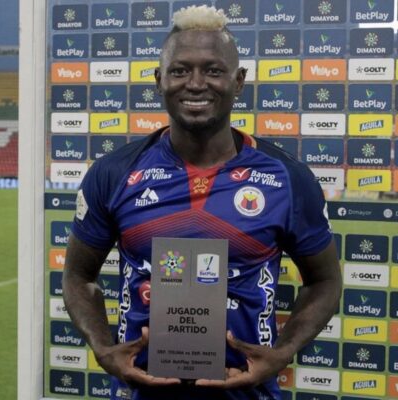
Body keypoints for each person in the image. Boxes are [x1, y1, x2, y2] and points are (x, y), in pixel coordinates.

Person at [63, 5, 342, 400]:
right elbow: (78, 276)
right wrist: (103, 348)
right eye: (179, 71)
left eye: (213, 70)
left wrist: (282, 354)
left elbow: (325, 280)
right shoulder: (114, 173)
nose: (195, 84)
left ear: (238, 81)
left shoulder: (287, 178)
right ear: (159, 80)